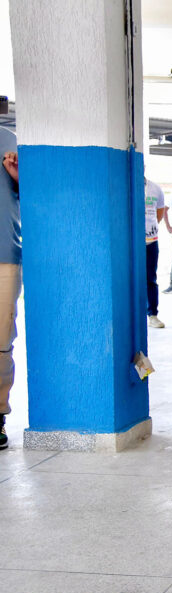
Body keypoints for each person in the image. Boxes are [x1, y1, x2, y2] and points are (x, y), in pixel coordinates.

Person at [0, 131, 20, 449]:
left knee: (1, 341)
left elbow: (39, 196)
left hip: (4, 256)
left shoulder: (9, 140)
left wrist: (18, 178)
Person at [143, 177, 166, 328]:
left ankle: (152, 315)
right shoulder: (127, 183)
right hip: (132, 242)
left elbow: (159, 213)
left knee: (151, 278)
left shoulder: (155, 188)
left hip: (151, 241)